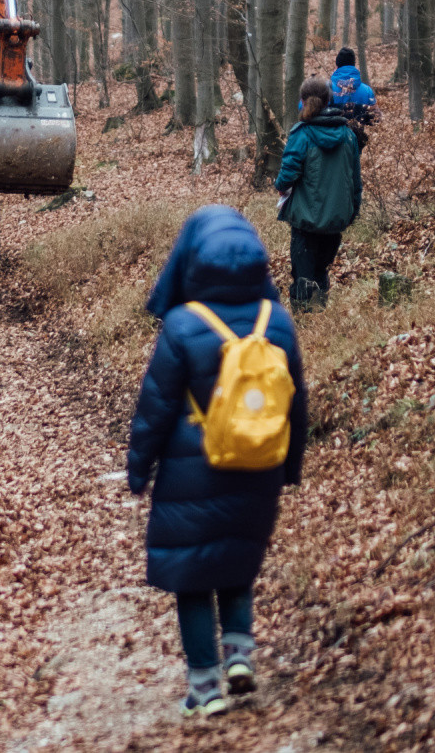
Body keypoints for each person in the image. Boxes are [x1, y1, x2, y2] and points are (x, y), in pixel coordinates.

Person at [127, 207, 308, 718]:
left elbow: (156, 406)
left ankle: (205, 689)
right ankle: (240, 655)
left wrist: (139, 468)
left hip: (194, 466)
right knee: (236, 561)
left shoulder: (184, 324)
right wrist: (290, 465)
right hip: (261, 466)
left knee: (192, 577)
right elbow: (297, 402)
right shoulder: (278, 321)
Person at [272, 76, 365, 311]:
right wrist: (352, 211)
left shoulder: (301, 134)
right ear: (329, 100)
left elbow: (286, 177)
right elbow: (355, 181)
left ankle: (303, 324)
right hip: (336, 219)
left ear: (303, 101)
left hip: (305, 220)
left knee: (303, 274)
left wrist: (280, 186)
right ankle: (320, 314)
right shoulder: (348, 135)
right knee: (321, 269)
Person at [327, 47, 378, 125]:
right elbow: (376, 119)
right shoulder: (367, 91)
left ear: (336, 66)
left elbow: (305, 110)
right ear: (354, 65)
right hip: (358, 135)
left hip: (330, 136)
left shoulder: (325, 89)